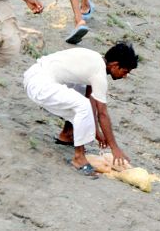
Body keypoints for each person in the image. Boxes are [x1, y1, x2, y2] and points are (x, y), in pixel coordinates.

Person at [23, 42, 137, 175]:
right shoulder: (99, 73)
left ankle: (66, 135)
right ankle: (79, 158)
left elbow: (92, 101)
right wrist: (115, 148)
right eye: (125, 71)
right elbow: (102, 113)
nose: (124, 76)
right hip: (38, 84)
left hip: (38, 77)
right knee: (82, 105)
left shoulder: (96, 61)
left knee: (82, 95)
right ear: (115, 64)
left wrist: (96, 132)